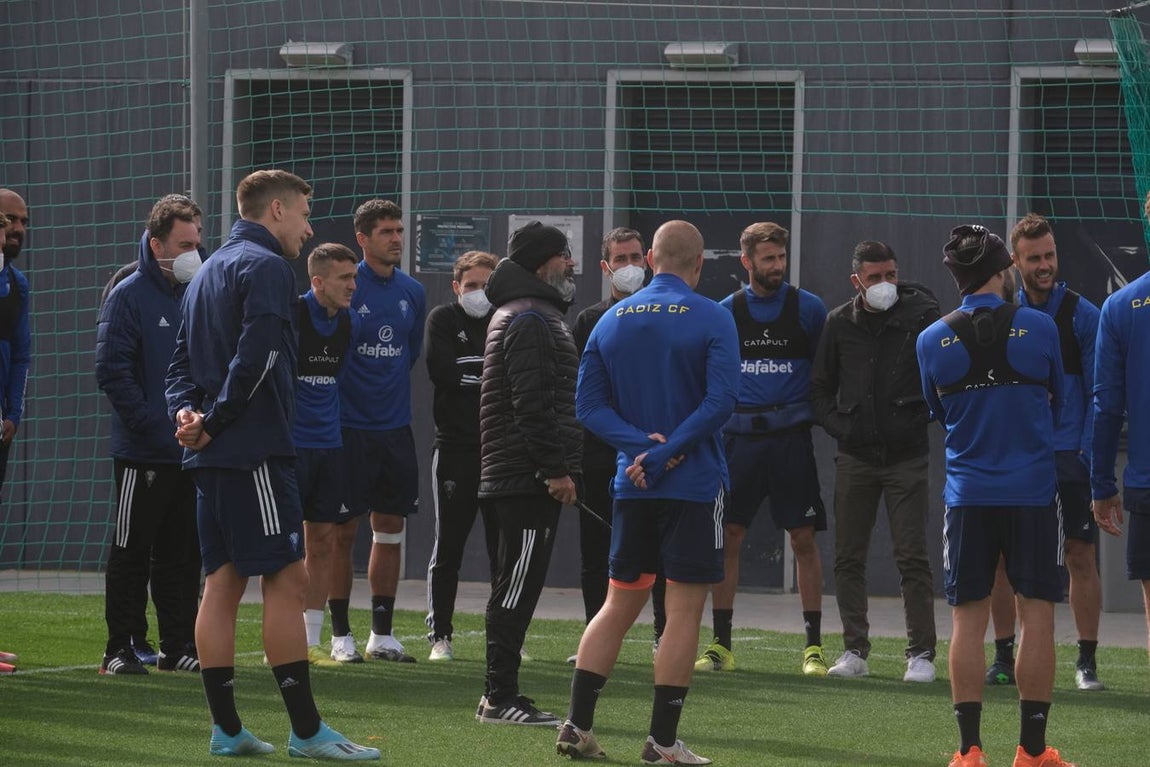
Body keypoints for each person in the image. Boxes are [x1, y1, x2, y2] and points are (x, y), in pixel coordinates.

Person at [165, 169, 378, 760]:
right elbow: (255, 358)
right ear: (277, 210)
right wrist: (214, 420)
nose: (310, 229)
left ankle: (228, 731)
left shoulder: (206, 268)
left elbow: (179, 363)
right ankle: (307, 732)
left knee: (222, 583)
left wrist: (187, 416)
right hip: (252, 449)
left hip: (211, 452)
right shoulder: (264, 268)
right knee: (288, 579)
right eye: (306, 214)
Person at [556, 220, 739, 765]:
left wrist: (641, 448)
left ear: (652, 259)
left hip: (631, 484)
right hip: (693, 485)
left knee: (617, 605)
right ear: (700, 263)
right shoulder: (714, 315)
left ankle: (576, 725)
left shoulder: (611, 319)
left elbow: (587, 408)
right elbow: (721, 402)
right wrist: (664, 451)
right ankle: (662, 742)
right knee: (682, 612)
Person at [917, 224, 1073, 767]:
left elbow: (937, 413)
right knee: (1039, 613)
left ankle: (969, 752)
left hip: (968, 495)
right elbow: (1056, 401)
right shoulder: (1040, 326)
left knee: (967, 616)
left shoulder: (929, 339)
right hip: (1031, 491)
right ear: (1004, 268)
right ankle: (1032, 752)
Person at [697, 221, 829, 675]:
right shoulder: (725, 312)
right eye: (768, 258)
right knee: (729, 536)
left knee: (804, 539)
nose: (777, 266)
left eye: (781, 257)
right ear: (746, 261)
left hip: (791, 441)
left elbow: (823, 374)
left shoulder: (808, 309)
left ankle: (813, 647)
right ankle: (721, 644)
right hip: (738, 442)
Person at [810, 240, 939, 682]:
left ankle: (921, 653)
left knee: (912, 555)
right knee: (848, 555)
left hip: (907, 456)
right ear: (856, 282)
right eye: (874, 277)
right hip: (856, 456)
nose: (884, 284)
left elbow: (940, 376)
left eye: (890, 275)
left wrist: (919, 416)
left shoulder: (922, 317)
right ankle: (854, 650)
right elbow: (819, 390)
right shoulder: (838, 323)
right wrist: (842, 427)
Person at [986, 214, 1104, 691]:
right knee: (1002, 561)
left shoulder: (1083, 315)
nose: (1044, 265)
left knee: (1079, 556)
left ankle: (1087, 661)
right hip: (1016, 461)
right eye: (1034, 258)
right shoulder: (999, 315)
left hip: (1068, 459)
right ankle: (1002, 656)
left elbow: (1101, 394)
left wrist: (1088, 457)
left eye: (1049, 255)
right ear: (1015, 262)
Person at [474, 221, 580, 726]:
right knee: (515, 587)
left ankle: (500, 693)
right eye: (565, 255)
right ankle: (500, 697)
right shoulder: (530, 319)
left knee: (513, 584)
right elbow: (532, 406)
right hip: (524, 478)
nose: (572, 264)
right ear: (543, 263)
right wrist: (555, 470)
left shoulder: (531, 313)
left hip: (517, 473)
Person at [95, 195, 205, 675]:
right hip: (142, 453)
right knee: (130, 551)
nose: (193, 254)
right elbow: (112, 372)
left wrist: (198, 425)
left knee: (182, 555)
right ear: (157, 243)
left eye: (198, 243)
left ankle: (177, 645)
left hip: (188, 451)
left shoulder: (196, 294)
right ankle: (118, 648)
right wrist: (154, 427)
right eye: (184, 244)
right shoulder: (128, 294)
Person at [335, 199, 426, 665]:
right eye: (386, 231)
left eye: (399, 230)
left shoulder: (413, 291)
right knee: (341, 532)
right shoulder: (348, 289)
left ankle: (382, 635)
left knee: (389, 530)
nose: (396, 238)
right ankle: (339, 635)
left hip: (395, 430)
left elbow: (409, 354)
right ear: (363, 239)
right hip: (349, 429)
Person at [571, 228, 666, 653]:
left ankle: (665, 636)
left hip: (656, 452)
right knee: (598, 554)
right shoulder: (590, 320)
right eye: (620, 259)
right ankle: (598, 637)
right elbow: (584, 396)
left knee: (663, 551)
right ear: (605, 267)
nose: (629, 267)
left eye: (635, 257)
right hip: (600, 455)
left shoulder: (669, 313)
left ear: (648, 260)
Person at [423, 250, 500, 661]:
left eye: (486, 285)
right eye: (471, 285)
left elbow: (505, 378)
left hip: (500, 452)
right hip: (454, 449)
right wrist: (487, 372)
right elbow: (444, 373)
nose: (478, 293)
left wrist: (474, 371)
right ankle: (441, 636)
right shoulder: (442, 319)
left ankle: (504, 639)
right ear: (456, 287)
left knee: (501, 549)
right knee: (448, 545)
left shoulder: (507, 319)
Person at [1092, 191, 1150, 670]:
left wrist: (1101, 484)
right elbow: (1107, 405)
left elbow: (1107, 407)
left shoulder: (1122, 306)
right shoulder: (1121, 308)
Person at [293, 243, 359, 667]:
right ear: (318, 282)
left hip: (329, 444)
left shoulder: (347, 321)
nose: (353, 286)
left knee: (323, 541)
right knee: (280, 547)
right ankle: (279, 637)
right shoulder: (292, 316)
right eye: (344, 279)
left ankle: (310, 642)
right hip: (289, 447)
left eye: (354, 278)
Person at [0, 189, 31, 501]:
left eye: (24, 221)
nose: (19, 229)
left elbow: (22, 355)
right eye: (10, 219)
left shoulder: (18, 285)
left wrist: (13, 414)